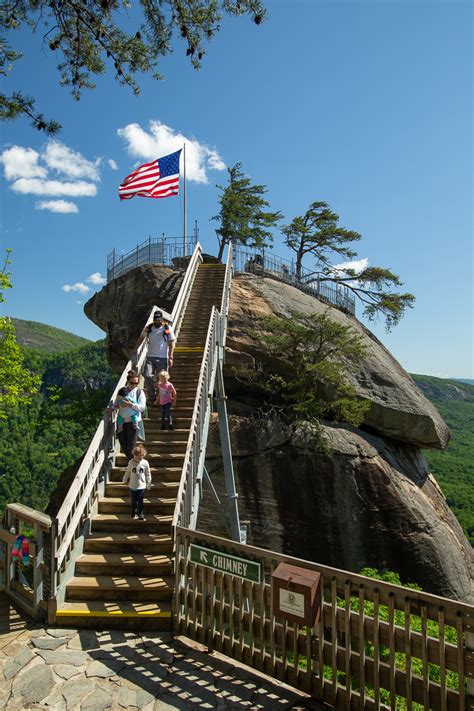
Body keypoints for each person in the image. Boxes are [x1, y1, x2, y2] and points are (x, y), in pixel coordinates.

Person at [136, 310, 176, 402]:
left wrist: (170, 357)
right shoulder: (149, 327)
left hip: (163, 357)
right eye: (155, 320)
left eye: (159, 320)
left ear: (162, 320)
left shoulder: (167, 328)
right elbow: (141, 338)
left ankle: (161, 398)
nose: (157, 322)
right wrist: (135, 349)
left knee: (161, 379)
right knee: (147, 375)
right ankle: (152, 396)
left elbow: (171, 343)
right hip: (150, 356)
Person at [114, 370, 146, 460]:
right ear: (128, 381)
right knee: (123, 446)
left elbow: (142, 407)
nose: (134, 385)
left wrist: (131, 405)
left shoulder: (139, 392)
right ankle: (133, 464)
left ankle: (134, 466)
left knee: (131, 447)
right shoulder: (122, 391)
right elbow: (117, 403)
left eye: (136, 383)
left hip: (133, 423)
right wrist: (111, 408)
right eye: (132, 383)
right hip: (122, 422)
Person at [122, 444, 151, 520]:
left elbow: (148, 473)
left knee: (140, 500)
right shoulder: (131, 462)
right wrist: (125, 479)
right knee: (134, 501)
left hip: (141, 485)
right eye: (138, 457)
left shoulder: (145, 463)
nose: (139, 459)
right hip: (133, 485)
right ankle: (133, 512)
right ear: (134, 455)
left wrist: (148, 483)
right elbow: (128, 472)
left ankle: (141, 514)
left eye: (141, 458)